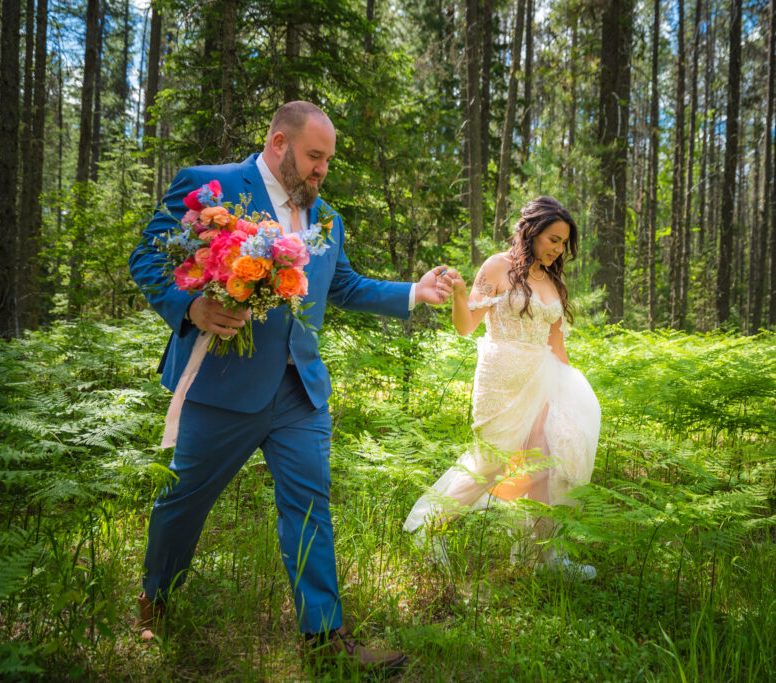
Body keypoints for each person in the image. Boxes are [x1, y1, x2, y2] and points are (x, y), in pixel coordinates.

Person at [129, 101, 453, 671]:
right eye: (314, 156)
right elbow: (147, 257)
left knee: (310, 507)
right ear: (280, 143)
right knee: (184, 501)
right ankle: (156, 602)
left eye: (328, 160)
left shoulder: (326, 218)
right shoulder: (212, 187)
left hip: (299, 391)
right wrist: (192, 306)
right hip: (221, 384)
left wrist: (412, 292)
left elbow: (345, 286)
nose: (322, 169)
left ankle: (325, 637)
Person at [403, 196, 601, 580]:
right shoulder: (497, 266)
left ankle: (541, 556)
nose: (557, 249)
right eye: (553, 239)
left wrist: (569, 394)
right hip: (501, 377)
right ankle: (427, 530)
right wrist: (461, 295)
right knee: (491, 461)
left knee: (547, 460)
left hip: (542, 378)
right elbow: (466, 327)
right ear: (532, 231)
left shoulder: (553, 280)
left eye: (563, 243)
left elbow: (556, 345)